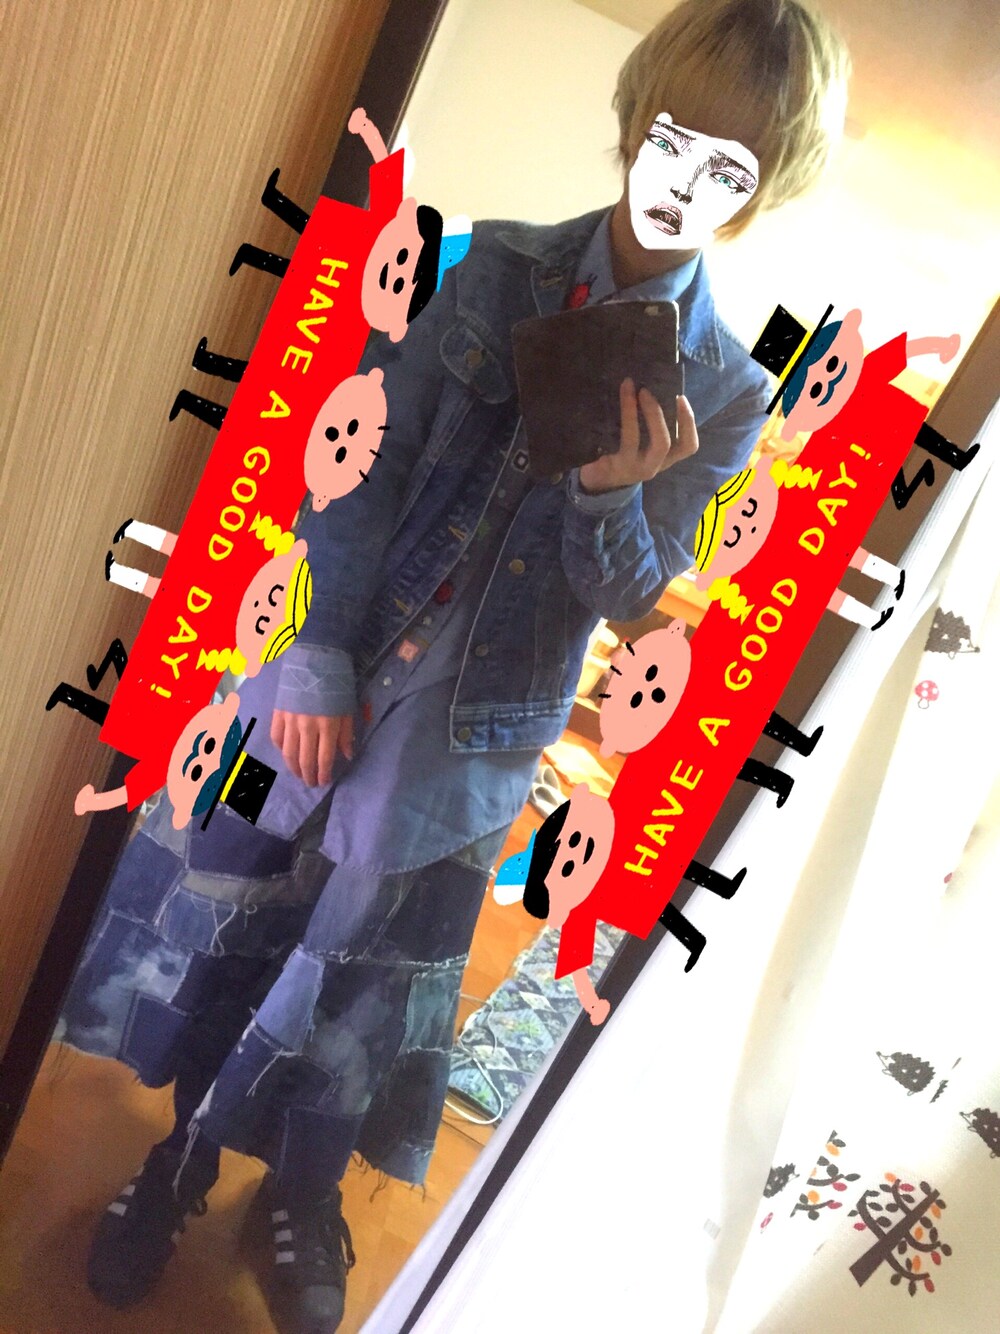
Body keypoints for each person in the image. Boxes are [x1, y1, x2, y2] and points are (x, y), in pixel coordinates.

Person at [56, 2, 851, 1330]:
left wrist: (610, 491)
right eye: (672, 138)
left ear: (763, 192)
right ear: (634, 123)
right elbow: (357, 461)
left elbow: (634, 602)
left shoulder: (724, 387)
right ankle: (177, 1158)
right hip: (329, 667)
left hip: (472, 740)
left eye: (730, 168)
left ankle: (297, 1190)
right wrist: (316, 656)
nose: (683, 182)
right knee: (235, 928)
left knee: (356, 988)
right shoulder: (488, 267)